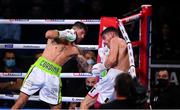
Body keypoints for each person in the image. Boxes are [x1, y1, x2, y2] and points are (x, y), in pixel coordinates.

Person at [12, 21, 89, 109]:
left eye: (84, 35)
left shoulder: (76, 49)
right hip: (39, 70)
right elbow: (48, 34)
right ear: (74, 29)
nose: (83, 36)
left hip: (53, 76)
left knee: (56, 107)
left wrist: (96, 70)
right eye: (82, 33)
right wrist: (64, 33)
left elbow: (85, 65)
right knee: (21, 101)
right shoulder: (57, 36)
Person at [80, 27, 130, 109]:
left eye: (104, 38)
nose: (104, 42)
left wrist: (102, 65)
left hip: (112, 77)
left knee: (95, 105)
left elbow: (112, 61)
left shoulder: (115, 40)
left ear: (111, 34)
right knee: (85, 103)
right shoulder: (123, 44)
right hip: (119, 79)